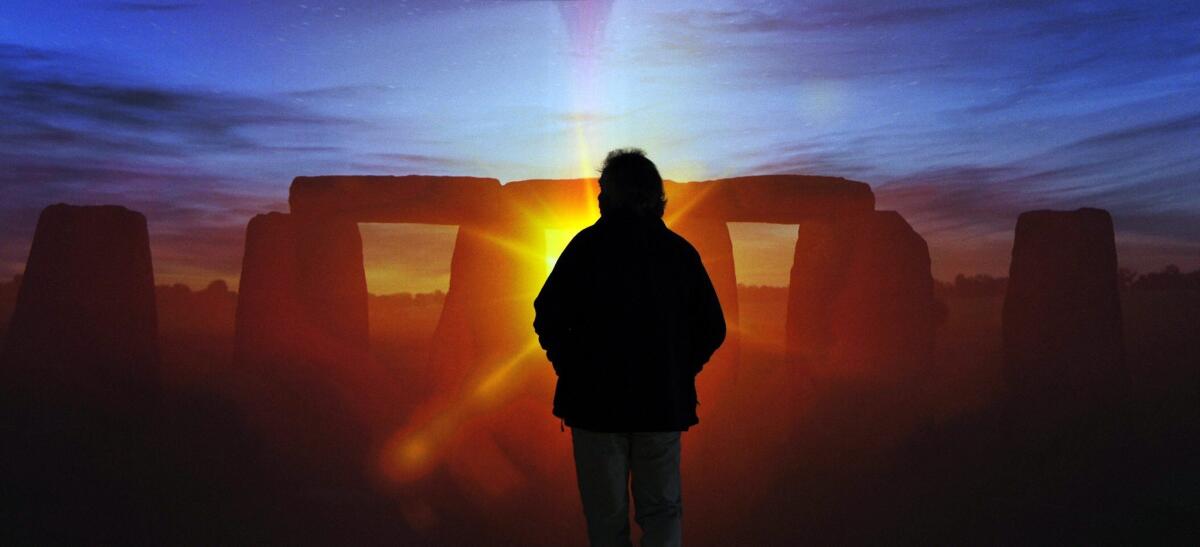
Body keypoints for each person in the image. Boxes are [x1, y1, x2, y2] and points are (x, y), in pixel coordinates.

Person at [533, 148, 726, 547]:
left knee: (606, 518)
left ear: (621, 193)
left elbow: (546, 315)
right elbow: (713, 328)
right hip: (661, 406)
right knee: (663, 512)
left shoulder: (585, 248)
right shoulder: (679, 253)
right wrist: (679, 369)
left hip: (593, 407)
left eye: (604, 189)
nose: (599, 197)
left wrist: (570, 368)